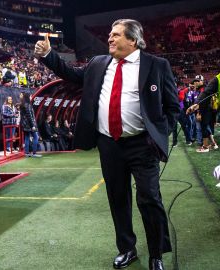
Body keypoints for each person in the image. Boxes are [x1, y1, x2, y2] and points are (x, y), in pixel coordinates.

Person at [35, 19, 179, 270]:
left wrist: (158, 134)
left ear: (133, 40)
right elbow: (70, 74)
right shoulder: (98, 63)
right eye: (110, 34)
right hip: (109, 144)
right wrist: (49, 54)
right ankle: (127, 249)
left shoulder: (157, 65)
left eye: (116, 35)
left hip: (141, 144)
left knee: (149, 198)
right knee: (117, 197)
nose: (110, 39)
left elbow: (172, 107)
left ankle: (156, 254)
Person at [187, 73, 220, 152]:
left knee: (204, 127)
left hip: (205, 110)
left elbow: (204, 100)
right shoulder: (198, 90)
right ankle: (213, 144)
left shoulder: (204, 89)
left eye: (198, 81)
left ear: (202, 81)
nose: (196, 83)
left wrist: (198, 113)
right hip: (207, 110)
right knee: (206, 127)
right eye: (195, 81)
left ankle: (205, 146)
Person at [20, 93, 41, 157]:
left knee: (26, 138)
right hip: (29, 125)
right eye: (31, 96)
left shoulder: (23, 105)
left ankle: (26, 153)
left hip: (25, 125)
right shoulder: (28, 105)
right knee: (36, 137)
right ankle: (34, 153)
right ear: (28, 97)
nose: (31, 97)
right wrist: (33, 126)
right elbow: (30, 116)